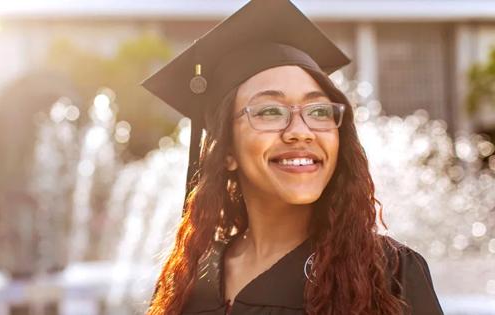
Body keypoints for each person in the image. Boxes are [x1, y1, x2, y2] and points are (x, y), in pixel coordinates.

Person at [142, 0, 444, 314]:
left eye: (318, 111)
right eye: (270, 111)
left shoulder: (387, 273)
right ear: (227, 152)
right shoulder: (190, 275)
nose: (301, 131)